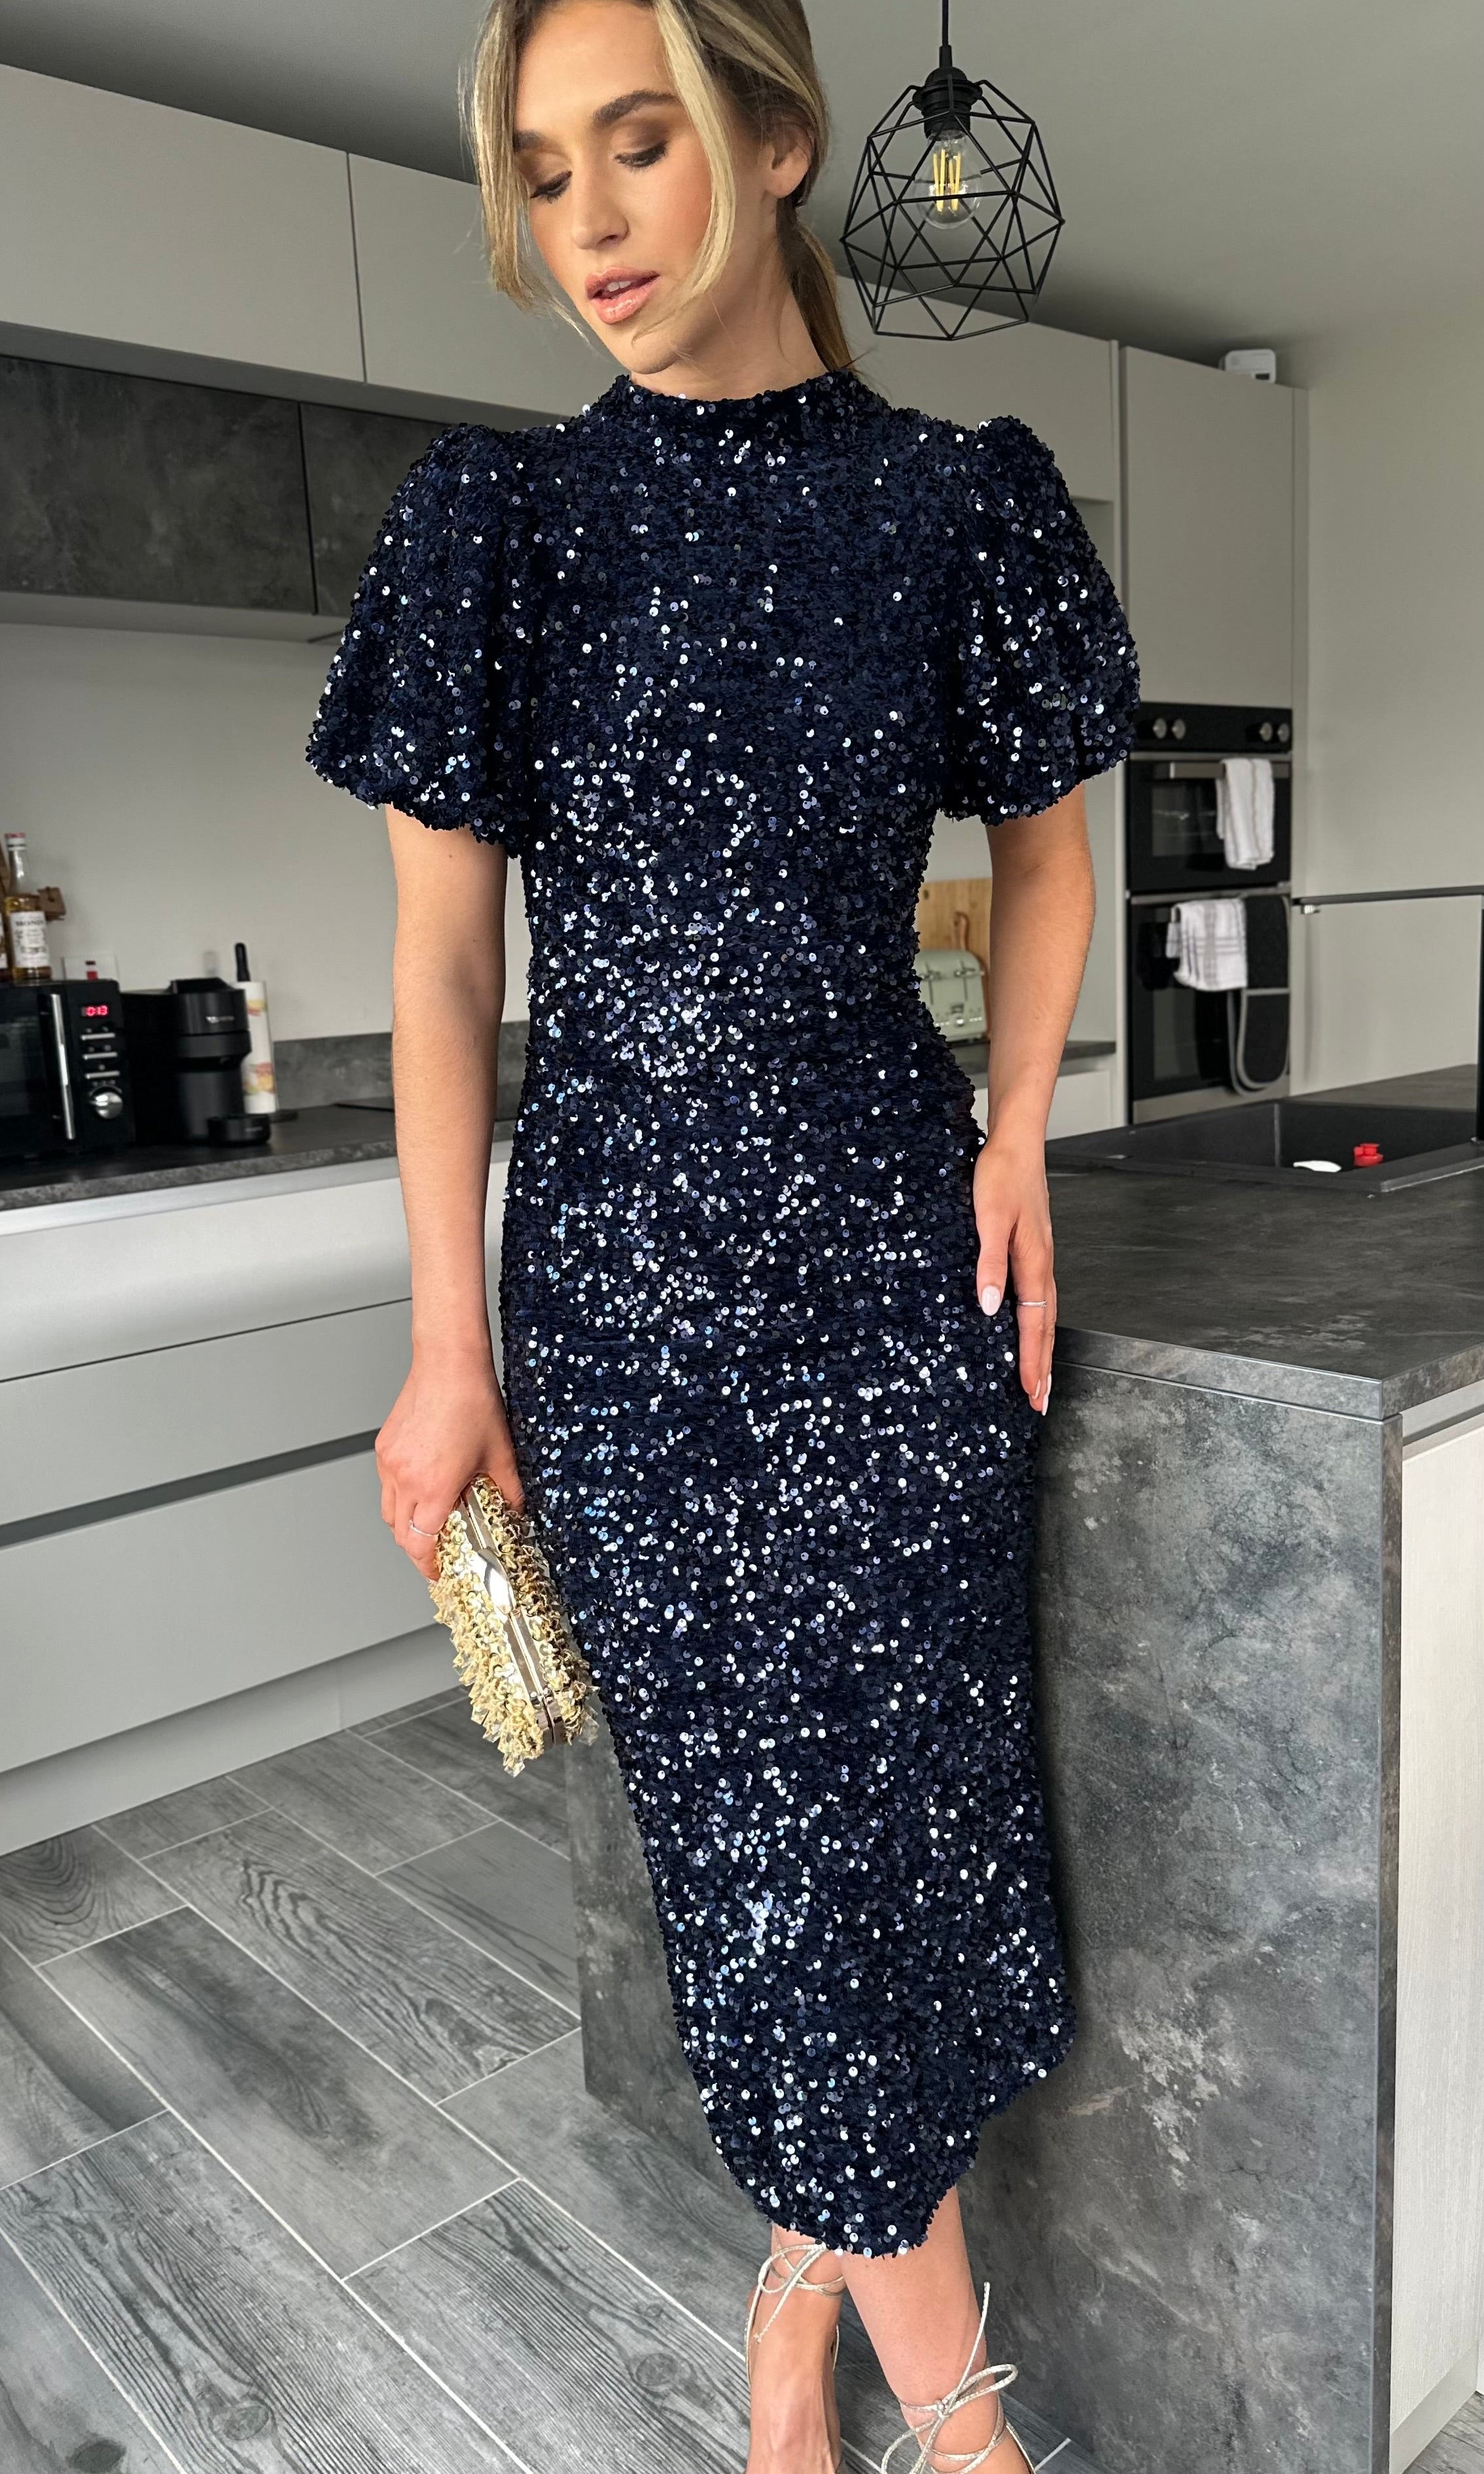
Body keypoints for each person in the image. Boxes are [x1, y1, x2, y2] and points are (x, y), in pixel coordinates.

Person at [306, 1, 1139, 2465]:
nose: (586, 220)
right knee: (765, 1859)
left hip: (892, 1252)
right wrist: (446, 1343)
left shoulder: (960, 500)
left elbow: (1049, 852)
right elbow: (441, 974)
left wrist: (1018, 1128)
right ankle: (961, 2415)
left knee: (909, 1824)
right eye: (543, 168)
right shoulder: (494, 526)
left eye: (636, 143)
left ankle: (803, 2271)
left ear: (774, 143)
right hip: (624, 1292)